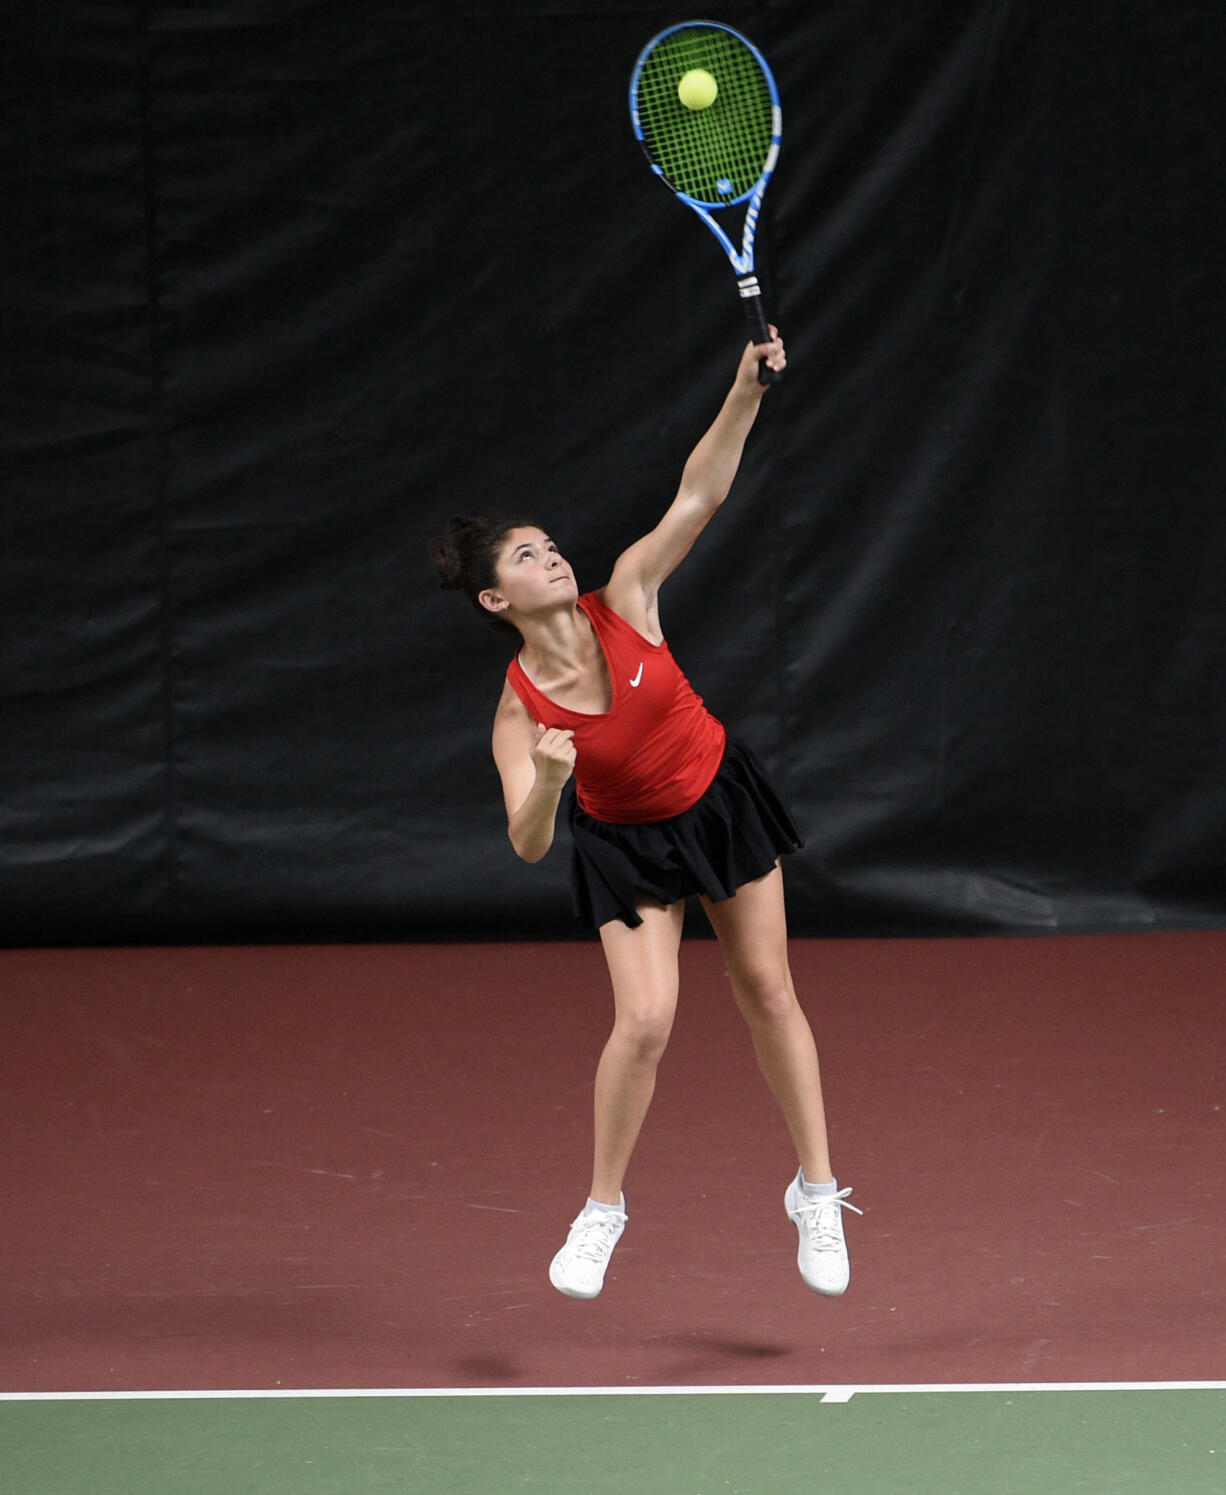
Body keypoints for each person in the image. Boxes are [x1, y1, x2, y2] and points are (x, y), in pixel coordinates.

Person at [428, 332, 858, 1300]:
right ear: (498, 596)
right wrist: (544, 778)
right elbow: (529, 843)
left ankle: (816, 1190)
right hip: (621, 844)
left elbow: (696, 496)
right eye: (529, 556)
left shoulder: (626, 596)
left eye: (549, 543)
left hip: (715, 799)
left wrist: (743, 391)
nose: (552, 555)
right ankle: (602, 1210)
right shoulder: (516, 708)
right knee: (646, 1020)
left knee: (767, 989)